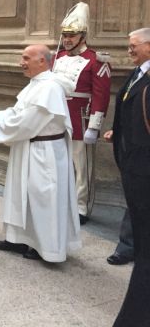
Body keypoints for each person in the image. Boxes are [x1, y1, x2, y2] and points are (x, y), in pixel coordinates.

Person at [0, 44, 81, 262]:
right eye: (22, 57)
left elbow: (30, 121)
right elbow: (22, 112)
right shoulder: (36, 84)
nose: (21, 62)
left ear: (42, 61)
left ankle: (45, 247)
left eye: (26, 58)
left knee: (43, 198)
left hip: (44, 153)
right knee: (21, 195)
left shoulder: (50, 88)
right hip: (28, 147)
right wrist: (2, 114)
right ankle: (18, 238)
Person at [103, 27, 150, 326]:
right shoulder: (137, 75)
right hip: (134, 169)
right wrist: (117, 132)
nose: (129, 50)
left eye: (134, 45)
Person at [52, 2, 111, 224]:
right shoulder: (57, 58)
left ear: (82, 35)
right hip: (58, 118)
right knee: (60, 162)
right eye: (65, 35)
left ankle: (81, 207)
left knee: (81, 166)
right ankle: (62, 201)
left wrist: (94, 126)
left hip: (81, 118)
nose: (67, 39)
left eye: (72, 35)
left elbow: (101, 95)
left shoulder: (97, 60)